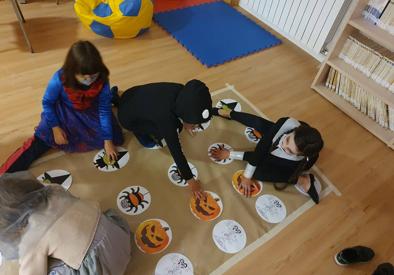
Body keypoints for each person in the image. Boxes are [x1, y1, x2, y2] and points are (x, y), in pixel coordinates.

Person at [0, 41, 123, 175]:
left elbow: (103, 110)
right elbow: (47, 103)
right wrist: (55, 128)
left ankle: (112, 96)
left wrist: (108, 141)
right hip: (63, 113)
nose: (89, 80)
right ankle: (4, 174)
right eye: (83, 77)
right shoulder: (59, 78)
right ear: (72, 71)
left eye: (93, 76)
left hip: (89, 112)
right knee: (42, 140)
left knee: (115, 138)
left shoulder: (102, 79)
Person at [0, 171, 131, 274]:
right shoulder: (55, 191)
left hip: (103, 266)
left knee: (46, 265)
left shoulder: (30, 240)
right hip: (119, 238)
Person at [114, 80, 212, 199]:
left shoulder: (182, 91)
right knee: (164, 132)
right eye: (194, 124)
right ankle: (140, 133)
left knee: (176, 125)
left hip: (132, 93)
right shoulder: (166, 118)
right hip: (127, 117)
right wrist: (192, 183)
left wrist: (188, 122)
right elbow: (176, 152)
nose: (195, 127)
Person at [210, 108, 323, 203]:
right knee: (258, 123)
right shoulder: (287, 123)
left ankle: (302, 180)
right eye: (287, 139)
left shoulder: (296, 160)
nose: (283, 145)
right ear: (295, 130)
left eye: (289, 150)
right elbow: (262, 147)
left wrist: (230, 154)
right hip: (285, 134)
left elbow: (260, 157)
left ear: (299, 155)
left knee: (259, 172)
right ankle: (228, 112)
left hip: (294, 164)